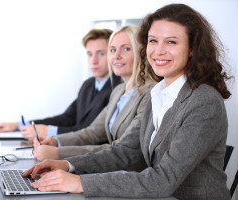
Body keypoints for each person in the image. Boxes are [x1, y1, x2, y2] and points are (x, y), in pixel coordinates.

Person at [22, 4, 232, 199]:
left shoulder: (204, 102)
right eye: (153, 41)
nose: (158, 51)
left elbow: (163, 179)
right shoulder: (158, 93)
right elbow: (125, 151)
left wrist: (80, 182)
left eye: (171, 42)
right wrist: (67, 165)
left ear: (193, 48)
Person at [33, 26, 155, 168]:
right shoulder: (119, 91)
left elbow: (123, 149)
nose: (116, 56)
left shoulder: (150, 93)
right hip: (111, 168)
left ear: (142, 52)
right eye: (113, 50)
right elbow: (93, 133)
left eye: (126, 49)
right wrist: (55, 141)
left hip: (129, 175)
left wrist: (58, 153)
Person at [0, 29, 121, 141]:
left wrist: (49, 131)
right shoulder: (88, 85)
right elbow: (67, 118)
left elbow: (89, 132)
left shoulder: (119, 88)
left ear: (112, 54)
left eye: (101, 54)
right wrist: (20, 125)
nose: (93, 61)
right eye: (89, 54)